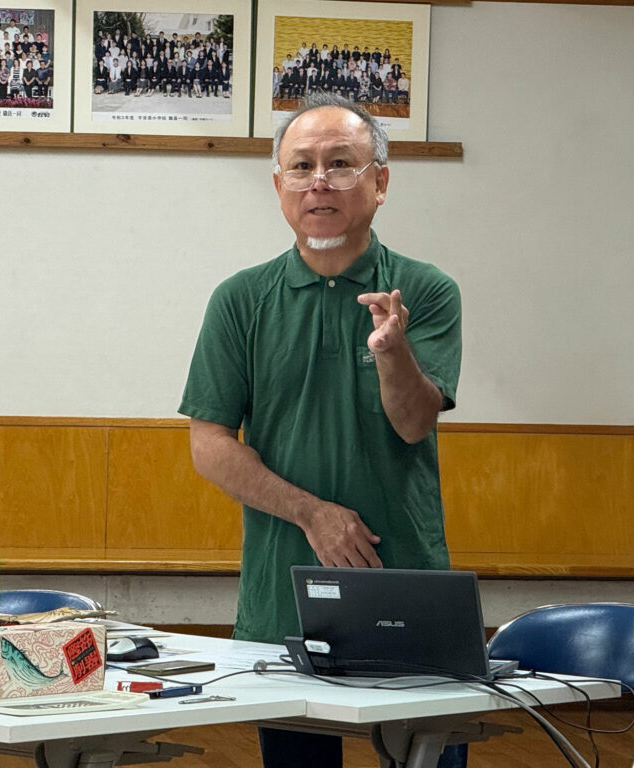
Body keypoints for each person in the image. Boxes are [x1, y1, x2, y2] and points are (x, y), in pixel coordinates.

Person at [179, 92, 464, 768]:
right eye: (301, 167)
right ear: (278, 186)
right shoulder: (241, 300)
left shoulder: (424, 291)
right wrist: (311, 513)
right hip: (286, 596)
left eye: (341, 163)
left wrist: (393, 351)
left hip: (407, 585)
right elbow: (208, 445)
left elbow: (415, 420)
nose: (320, 182)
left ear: (380, 182)